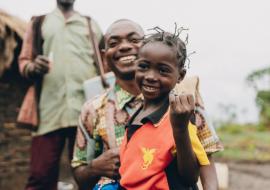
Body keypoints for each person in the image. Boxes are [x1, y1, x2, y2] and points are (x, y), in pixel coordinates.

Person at [72, 19, 223, 190]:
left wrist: (179, 129)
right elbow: (79, 174)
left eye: (133, 40)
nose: (124, 47)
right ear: (104, 56)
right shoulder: (93, 108)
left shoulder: (184, 101)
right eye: (114, 43)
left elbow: (203, 159)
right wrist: (95, 167)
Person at [18, 0, 103, 189]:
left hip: (87, 112)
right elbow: (24, 62)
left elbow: (104, 64)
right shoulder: (39, 23)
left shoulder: (90, 25)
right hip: (49, 111)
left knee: (92, 174)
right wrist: (33, 67)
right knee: (40, 176)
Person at [119, 30, 210, 190]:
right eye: (144, 66)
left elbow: (190, 177)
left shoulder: (178, 114)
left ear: (180, 76)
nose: (151, 76)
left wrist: (180, 129)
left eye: (163, 70)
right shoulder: (136, 113)